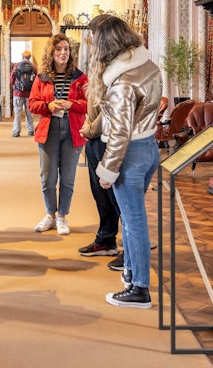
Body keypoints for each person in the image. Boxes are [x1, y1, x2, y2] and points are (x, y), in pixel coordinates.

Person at [86, 15, 162, 308]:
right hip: (148, 147)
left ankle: (139, 289)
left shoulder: (121, 83)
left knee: (133, 223)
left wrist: (108, 168)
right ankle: (130, 273)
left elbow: (119, 133)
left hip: (128, 154)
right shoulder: (146, 65)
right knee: (133, 220)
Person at [28, 34, 88, 236]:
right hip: (49, 129)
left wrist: (73, 104)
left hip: (72, 130)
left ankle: (62, 216)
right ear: (51, 53)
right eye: (59, 49)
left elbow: (90, 104)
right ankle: (50, 215)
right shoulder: (42, 76)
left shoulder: (80, 77)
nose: (63, 53)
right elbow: (32, 104)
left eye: (66, 49)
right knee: (47, 177)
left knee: (67, 178)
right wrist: (48, 106)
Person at [78, 16, 121, 258]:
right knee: (101, 194)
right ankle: (106, 239)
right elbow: (94, 100)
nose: (92, 41)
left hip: (108, 139)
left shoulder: (120, 68)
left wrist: (91, 128)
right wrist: (87, 123)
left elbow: (112, 107)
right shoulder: (100, 62)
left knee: (117, 196)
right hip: (94, 138)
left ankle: (133, 247)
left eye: (95, 35)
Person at [10, 50, 36, 137]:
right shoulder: (33, 67)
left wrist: (15, 85)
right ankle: (31, 130)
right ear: (30, 57)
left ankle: (16, 131)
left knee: (17, 112)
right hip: (29, 94)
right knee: (29, 113)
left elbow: (11, 78)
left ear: (22, 57)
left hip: (18, 92)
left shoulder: (17, 66)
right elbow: (37, 80)